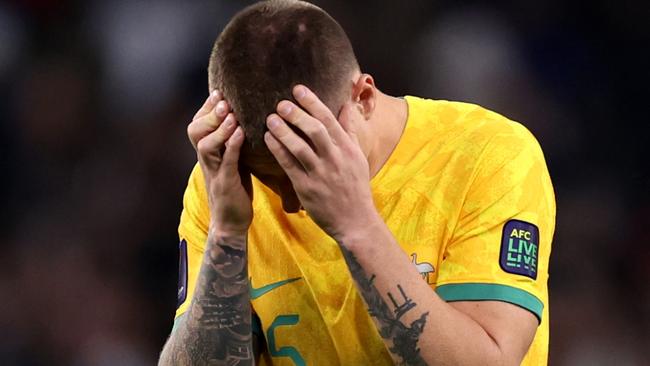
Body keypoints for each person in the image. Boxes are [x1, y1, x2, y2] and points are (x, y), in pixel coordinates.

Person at [158, 1, 555, 365]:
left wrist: (356, 225)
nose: (295, 204)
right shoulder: (224, 182)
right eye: (269, 177)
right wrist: (226, 233)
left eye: (305, 162)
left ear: (363, 97)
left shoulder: (485, 154)